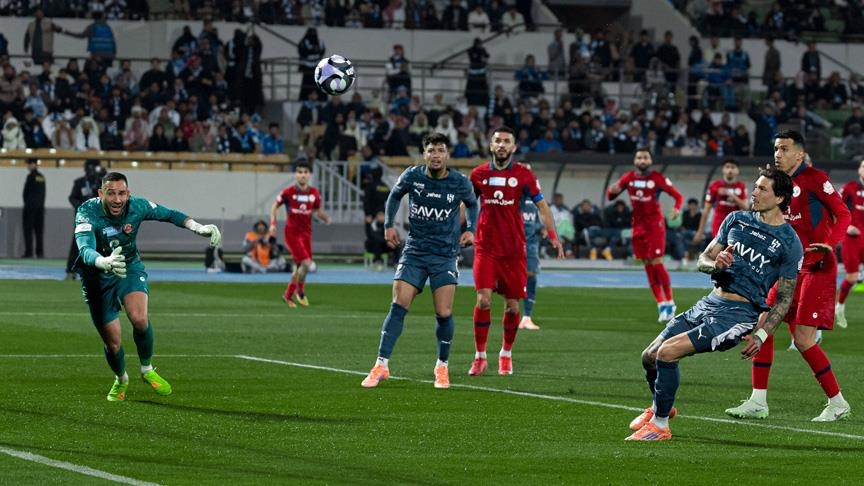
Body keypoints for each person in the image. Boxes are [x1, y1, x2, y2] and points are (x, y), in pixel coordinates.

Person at [626, 167, 802, 441]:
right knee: (649, 356)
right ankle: (663, 407)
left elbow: (785, 297)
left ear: (780, 198)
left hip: (737, 315)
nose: (753, 192)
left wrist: (762, 333)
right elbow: (703, 259)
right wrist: (714, 264)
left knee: (667, 353)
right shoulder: (735, 219)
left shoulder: (790, 242)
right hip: (708, 303)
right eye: (755, 186)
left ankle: (660, 426)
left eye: (762, 189)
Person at [725, 129, 852, 422]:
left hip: (817, 267)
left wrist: (830, 245)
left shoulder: (816, 179)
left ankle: (837, 403)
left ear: (799, 154)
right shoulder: (777, 184)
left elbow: (843, 214)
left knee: (804, 339)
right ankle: (758, 401)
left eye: (783, 149)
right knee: (763, 325)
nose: (777, 154)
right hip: (789, 270)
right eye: (776, 149)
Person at [73, 171, 221, 401]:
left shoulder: (138, 206)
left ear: (128, 193)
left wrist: (196, 227)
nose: (117, 199)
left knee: (140, 318)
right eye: (111, 194)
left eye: (122, 193)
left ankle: (147, 369)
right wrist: (104, 262)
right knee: (113, 344)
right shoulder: (86, 211)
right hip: (96, 277)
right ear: (101, 193)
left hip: (128, 267)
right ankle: (121, 378)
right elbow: (84, 248)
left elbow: (169, 214)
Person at [361, 132, 478, 389]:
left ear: (447, 154)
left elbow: (472, 203)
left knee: (443, 312)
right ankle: (381, 364)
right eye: (431, 150)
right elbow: (394, 196)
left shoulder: (459, 182)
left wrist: (471, 228)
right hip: (415, 251)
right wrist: (389, 225)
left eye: (440, 150)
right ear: (424, 154)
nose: (435, 155)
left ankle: (442, 366)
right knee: (398, 303)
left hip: (445, 255)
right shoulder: (412, 176)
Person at [468, 126, 564, 377]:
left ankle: (505, 354)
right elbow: (466, 203)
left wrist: (553, 234)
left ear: (513, 147)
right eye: (497, 141)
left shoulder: (524, 175)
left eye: (506, 141)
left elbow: (542, 206)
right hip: (485, 248)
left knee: (512, 307)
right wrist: (465, 228)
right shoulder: (478, 174)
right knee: (483, 299)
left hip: (513, 250)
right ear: (491, 145)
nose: (501, 145)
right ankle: (480, 356)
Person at [606, 148, 683, 322]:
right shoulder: (628, 178)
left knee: (657, 262)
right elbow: (611, 196)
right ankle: (661, 305)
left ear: (650, 160)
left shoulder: (657, 178)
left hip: (655, 225)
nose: (642, 160)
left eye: (645, 157)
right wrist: (612, 190)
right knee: (647, 265)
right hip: (638, 226)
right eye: (639, 157)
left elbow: (678, 196)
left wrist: (676, 208)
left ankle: (671, 302)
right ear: (635, 160)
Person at [269, 160, 332, 308]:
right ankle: (299, 292)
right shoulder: (288, 192)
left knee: (300, 267)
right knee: (306, 263)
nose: (302, 175)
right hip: (292, 233)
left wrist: (325, 218)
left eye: (305, 172)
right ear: (295, 174)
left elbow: (317, 210)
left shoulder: (315, 193)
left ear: (309, 175)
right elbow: (274, 206)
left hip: (306, 234)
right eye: (299, 172)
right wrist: (273, 225)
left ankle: (288, 295)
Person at [834, 159, 864, 328]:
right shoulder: (850, 188)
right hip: (853, 240)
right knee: (852, 277)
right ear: (859, 170)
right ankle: (840, 305)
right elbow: (836, 209)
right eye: (863, 166)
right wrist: (847, 227)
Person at [694, 158, 748, 247]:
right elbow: (706, 210)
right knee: (718, 251)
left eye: (733, 167)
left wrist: (732, 196)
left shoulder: (741, 186)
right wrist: (700, 231)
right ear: (723, 169)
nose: (730, 170)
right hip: (719, 224)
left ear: (737, 171)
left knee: (732, 252)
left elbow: (746, 207)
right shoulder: (715, 186)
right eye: (727, 167)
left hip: (736, 224)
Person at [66, 160, 105, 279]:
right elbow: (72, 197)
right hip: (83, 218)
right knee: (77, 244)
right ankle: (71, 270)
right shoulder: (79, 183)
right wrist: (80, 206)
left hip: (96, 218)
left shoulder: (100, 183)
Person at [519, 197, 546, 330]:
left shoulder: (533, 203)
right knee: (514, 280)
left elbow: (535, 222)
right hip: (515, 243)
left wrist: (542, 229)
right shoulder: (512, 198)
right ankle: (517, 315)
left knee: (531, 276)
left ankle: (526, 317)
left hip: (530, 245)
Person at [22, 159, 46, 259]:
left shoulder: (30, 176)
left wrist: (27, 204)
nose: (27, 166)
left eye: (28, 164)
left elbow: (26, 192)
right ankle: (39, 253)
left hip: (30, 208)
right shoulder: (41, 177)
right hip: (40, 207)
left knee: (28, 230)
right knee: (39, 231)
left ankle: (29, 252)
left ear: (33, 164)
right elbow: (44, 193)